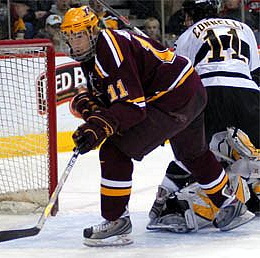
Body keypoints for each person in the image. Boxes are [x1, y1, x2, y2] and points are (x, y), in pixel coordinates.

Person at [60, 5, 254, 247]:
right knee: (192, 153)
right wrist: (91, 111)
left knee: (114, 151)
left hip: (173, 97)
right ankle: (230, 204)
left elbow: (132, 107)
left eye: (79, 35)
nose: (74, 42)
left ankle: (116, 221)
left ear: (92, 31)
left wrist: (98, 128)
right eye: (69, 36)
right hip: (189, 90)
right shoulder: (97, 54)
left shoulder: (109, 49)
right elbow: (113, 101)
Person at [148, 0, 260, 231]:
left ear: (190, 16)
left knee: (199, 153)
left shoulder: (188, 34)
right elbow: (256, 72)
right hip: (247, 90)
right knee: (250, 150)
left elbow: (179, 79)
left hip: (207, 91)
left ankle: (173, 201)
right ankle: (252, 193)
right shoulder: (244, 28)